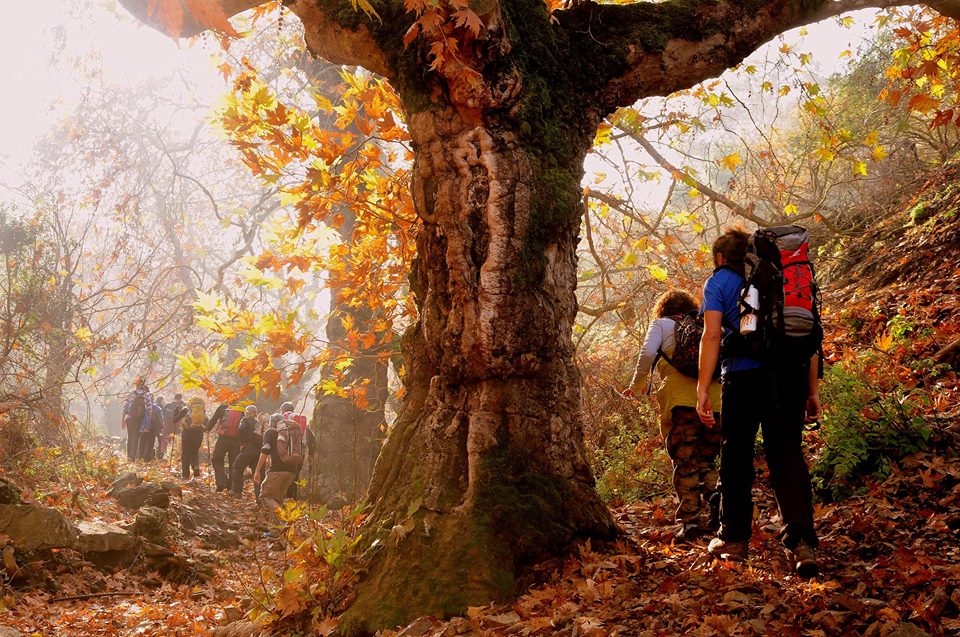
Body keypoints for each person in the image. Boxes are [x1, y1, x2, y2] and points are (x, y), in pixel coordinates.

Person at [696, 226, 822, 576]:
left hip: (742, 376)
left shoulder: (719, 281)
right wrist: (812, 391)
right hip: (791, 376)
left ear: (721, 257)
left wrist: (703, 388)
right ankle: (802, 544)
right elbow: (807, 336)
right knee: (788, 456)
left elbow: (710, 336)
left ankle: (734, 540)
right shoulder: (785, 278)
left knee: (736, 456)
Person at [626, 290, 722, 541]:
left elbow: (647, 354)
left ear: (662, 308)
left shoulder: (662, 324)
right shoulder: (706, 324)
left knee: (685, 461)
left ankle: (690, 523)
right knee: (707, 458)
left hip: (681, 402)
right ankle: (715, 496)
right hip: (716, 400)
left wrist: (636, 385)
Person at [255, 411, 304, 514]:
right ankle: (277, 528)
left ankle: (284, 520)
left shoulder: (271, 432)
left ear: (272, 423)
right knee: (277, 500)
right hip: (291, 471)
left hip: (277, 470)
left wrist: (257, 470)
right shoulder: (291, 433)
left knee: (266, 497)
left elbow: (265, 451)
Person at [230, 405, 263, 500]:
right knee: (257, 473)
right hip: (260, 451)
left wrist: (242, 443)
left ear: (252, 413)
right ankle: (259, 498)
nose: (246, 413)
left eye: (247, 411)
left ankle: (237, 492)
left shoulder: (245, 420)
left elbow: (240, 429)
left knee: (237, 467)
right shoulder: (259, 422)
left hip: (248, 448)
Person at [208, 403, 243, 492]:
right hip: (236, 440)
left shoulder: (223, 407)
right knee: (233, 463)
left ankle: (221, 482)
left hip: (223, 439)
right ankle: (230, 486)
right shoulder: (241, 409)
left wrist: (207, 429)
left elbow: (214, 418)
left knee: (217, 459)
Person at [122, 380, 152, 462]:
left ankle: (128, 456)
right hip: (139, 419)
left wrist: (122, 420)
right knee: (136, 438)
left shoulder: (131, 394)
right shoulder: (146, 395)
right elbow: (149, 410)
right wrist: (148, 421)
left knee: (130, 437)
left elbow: (125, 407)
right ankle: (132, 458)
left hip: (129, 418)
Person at [181, 398, 205, 480]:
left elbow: (179, 420)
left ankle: (185, 474)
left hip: (187, 435)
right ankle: (196, 469)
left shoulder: (186, 410)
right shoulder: (202, 411)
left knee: (185, 454)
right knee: (194, 452)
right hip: (199, 435)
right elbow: (207, 422)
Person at [138, 396, 164, 461]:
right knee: (150, 442)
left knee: (142, 441)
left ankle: (140, 456)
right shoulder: (157, 408)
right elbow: (160, 419)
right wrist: (161, 426)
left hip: (143, 427)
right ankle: (147, 458)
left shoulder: (143, 407)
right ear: (153, 399)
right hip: (153, 427)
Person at [160, 393, 184, 459]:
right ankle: (174, 454)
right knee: (176, 439)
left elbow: (163, 414)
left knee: (165, 438)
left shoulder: (168, 405)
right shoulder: (183, 405)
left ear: (174, 398)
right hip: (177, 425)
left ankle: (163, 452)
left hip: (167, 424)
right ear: (181, 398)